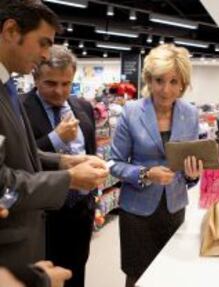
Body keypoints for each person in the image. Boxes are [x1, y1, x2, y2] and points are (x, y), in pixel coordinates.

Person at [0, 0, 108, 282]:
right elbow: (1, 181)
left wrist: (65, 160)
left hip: (42, 230)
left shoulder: (6, 85)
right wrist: (68, 177)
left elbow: (21, 152)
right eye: (43, 42)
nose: (46, 53)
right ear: (11, 30)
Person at [110, 44, 203, 287]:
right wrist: (145, 173)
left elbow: (187, 166)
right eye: (159, 80)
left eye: (174, 81)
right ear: (149, 80)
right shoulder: (131, 112)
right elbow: (114, 163)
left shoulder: (190, 114)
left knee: (170, 275)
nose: (166, 89)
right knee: (137, 276)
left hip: (174, 208)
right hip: (137, 212)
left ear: (183, 84)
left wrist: (193, 175)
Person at [22, 45, 97, 287]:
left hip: (80, 213)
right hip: (44, 217)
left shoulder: (83, 107)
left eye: (66, 84)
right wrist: (55, 138)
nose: (59, 91)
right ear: (35, 77)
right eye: (51, 83)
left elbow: (90, 152)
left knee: (76, 275)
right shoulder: (21, 108)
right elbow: (22, 158)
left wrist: (91, 197)